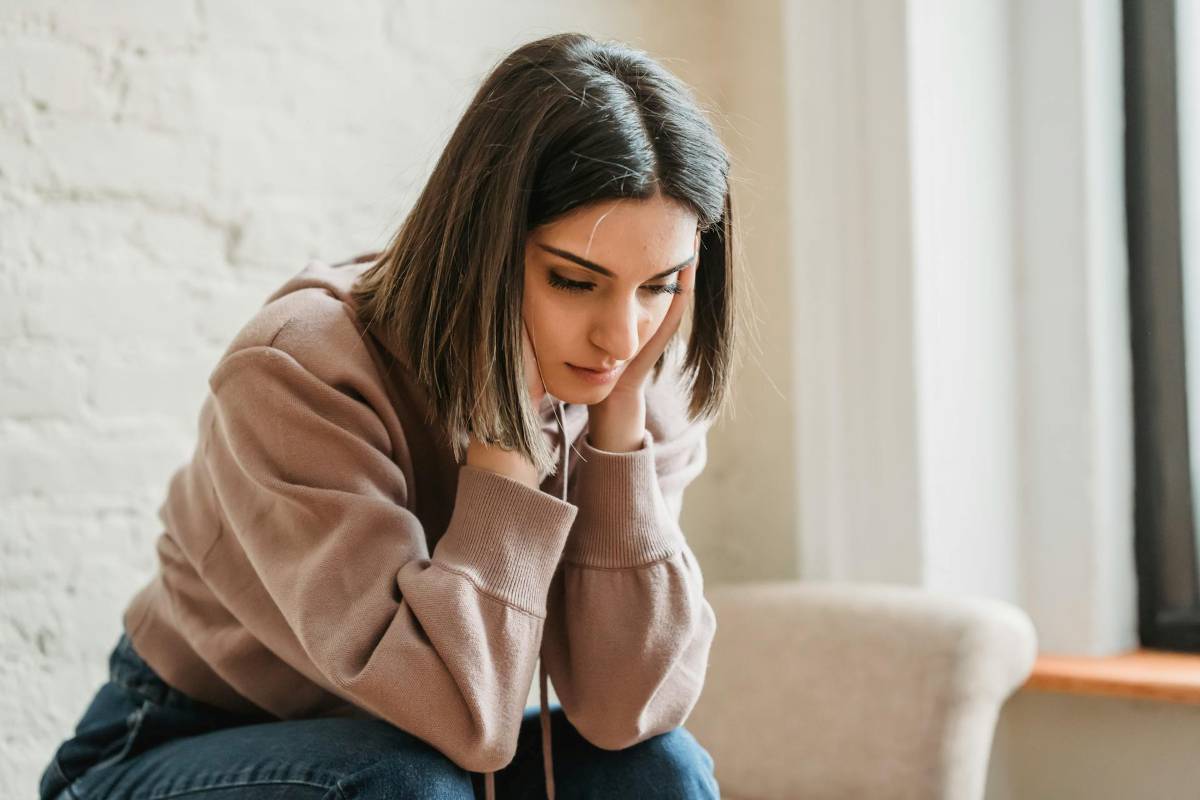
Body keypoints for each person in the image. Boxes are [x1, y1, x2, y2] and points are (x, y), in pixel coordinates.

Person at [38, 29, 738, 800]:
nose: (623, 336)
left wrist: (621, 441)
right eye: (576, 281)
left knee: (659, 772)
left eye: (659, 285)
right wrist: (503, 448)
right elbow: (460, 720)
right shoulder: (301, 372)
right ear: (484, 243)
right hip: (177, 740)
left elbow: (625, 711)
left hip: (425, 750)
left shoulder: (633, 384)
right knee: (403, 784)